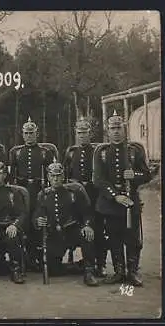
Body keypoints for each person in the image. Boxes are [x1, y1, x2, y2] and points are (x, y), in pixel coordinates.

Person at [93, 111, 151, 287]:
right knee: (113, 237)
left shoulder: (135, 150)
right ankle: (118, 271)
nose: (116, 131)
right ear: (107, 131)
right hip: (111, 203)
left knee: (132, 238)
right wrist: (115, 195)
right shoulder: (101, 152)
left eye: (119, 128)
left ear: (125, 129)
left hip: (130, 201)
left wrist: (134, 175)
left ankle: (132, 272)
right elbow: (98, 180)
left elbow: (147, 175)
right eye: (112, 128)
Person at [33, 161, 99, 287]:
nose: (56, 179)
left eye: (58, 176)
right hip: (54, 234)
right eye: (53, 176)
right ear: (48, 178)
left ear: (63, 177)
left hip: (72, 230)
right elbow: (37, 214)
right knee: (52, 270)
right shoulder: (43, 194)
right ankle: (73, 267)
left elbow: (87, 212)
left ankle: (89, 271)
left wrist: (87, 225)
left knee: (86, 235)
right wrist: (38, 221)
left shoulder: (74, 192)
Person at [8, 116, 55, 270]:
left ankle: (37, 257)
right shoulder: (16, 152)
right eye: (26, 133)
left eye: (32, 133)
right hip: (21, 191)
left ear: (37, 133)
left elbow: (52, 173)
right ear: (22, 134)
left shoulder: (45, 152)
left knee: (38, 221)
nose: (29, 136)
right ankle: (24, 257)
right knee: (23, 221)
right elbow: (11, 174)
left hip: (38, 190)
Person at [63, 117, 108, 277]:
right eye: (79, 133)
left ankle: (100, 263)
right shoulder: (71, 152)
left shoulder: (97, 151)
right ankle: (83, 260)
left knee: (98, 229)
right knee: (78, 226)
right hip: (77, 196)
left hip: (94, 194)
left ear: (91, 134)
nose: (82, 136)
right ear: (75, 133)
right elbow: (66, 175)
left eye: (85, 133)